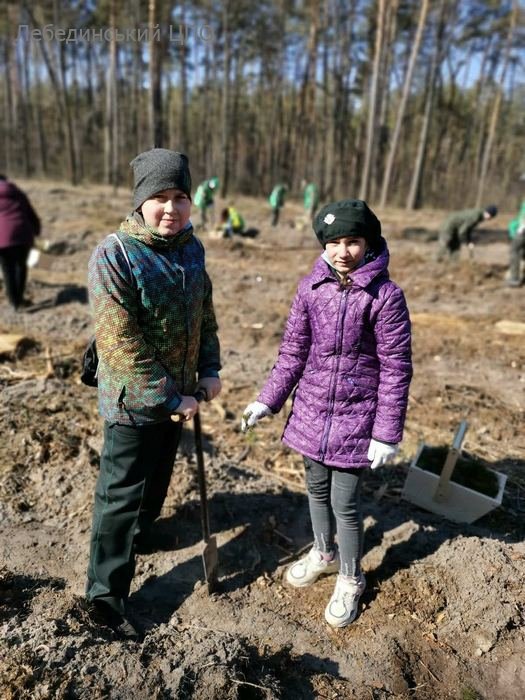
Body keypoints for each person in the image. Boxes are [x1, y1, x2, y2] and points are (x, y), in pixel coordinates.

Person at [241, 199, 412, 628]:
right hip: (311, 413)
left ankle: (352, 578)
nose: (342, 251)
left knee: (346, 504)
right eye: (333, 242)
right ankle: (323, 553)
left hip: (357, 419)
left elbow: (396, 368)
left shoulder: (385, 297)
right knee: (316, 490)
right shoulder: (310, 289)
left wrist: (386, 432)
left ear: (368, 243)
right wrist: (267, 400)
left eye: (352, 241)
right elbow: (292, 353)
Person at [86, 148, 221, 639]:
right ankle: (104, 598)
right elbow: (119, 343)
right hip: (134, 400)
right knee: (120, 496)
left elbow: (204, 312)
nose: (171, 208)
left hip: (180, 395)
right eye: (160, 197)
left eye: (180, 197)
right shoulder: (115, 254)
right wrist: (169, 397)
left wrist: (209, 368)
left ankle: (143, 534)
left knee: (160, 474)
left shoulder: (191, 247)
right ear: (140, 201)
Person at [0, 174, 41, 311]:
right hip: (23, 234)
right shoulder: (18, 193)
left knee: (7, 269)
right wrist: (37, 230)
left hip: (2, 238)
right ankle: (19, 300)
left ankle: (14, 302)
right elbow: (31, 214)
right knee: (21, 266)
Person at [507, 199, 525, 287]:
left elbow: (523, 218)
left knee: (514, 251)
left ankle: (514, 278)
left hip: (522, 232)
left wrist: (520, 229)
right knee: (521, 251)